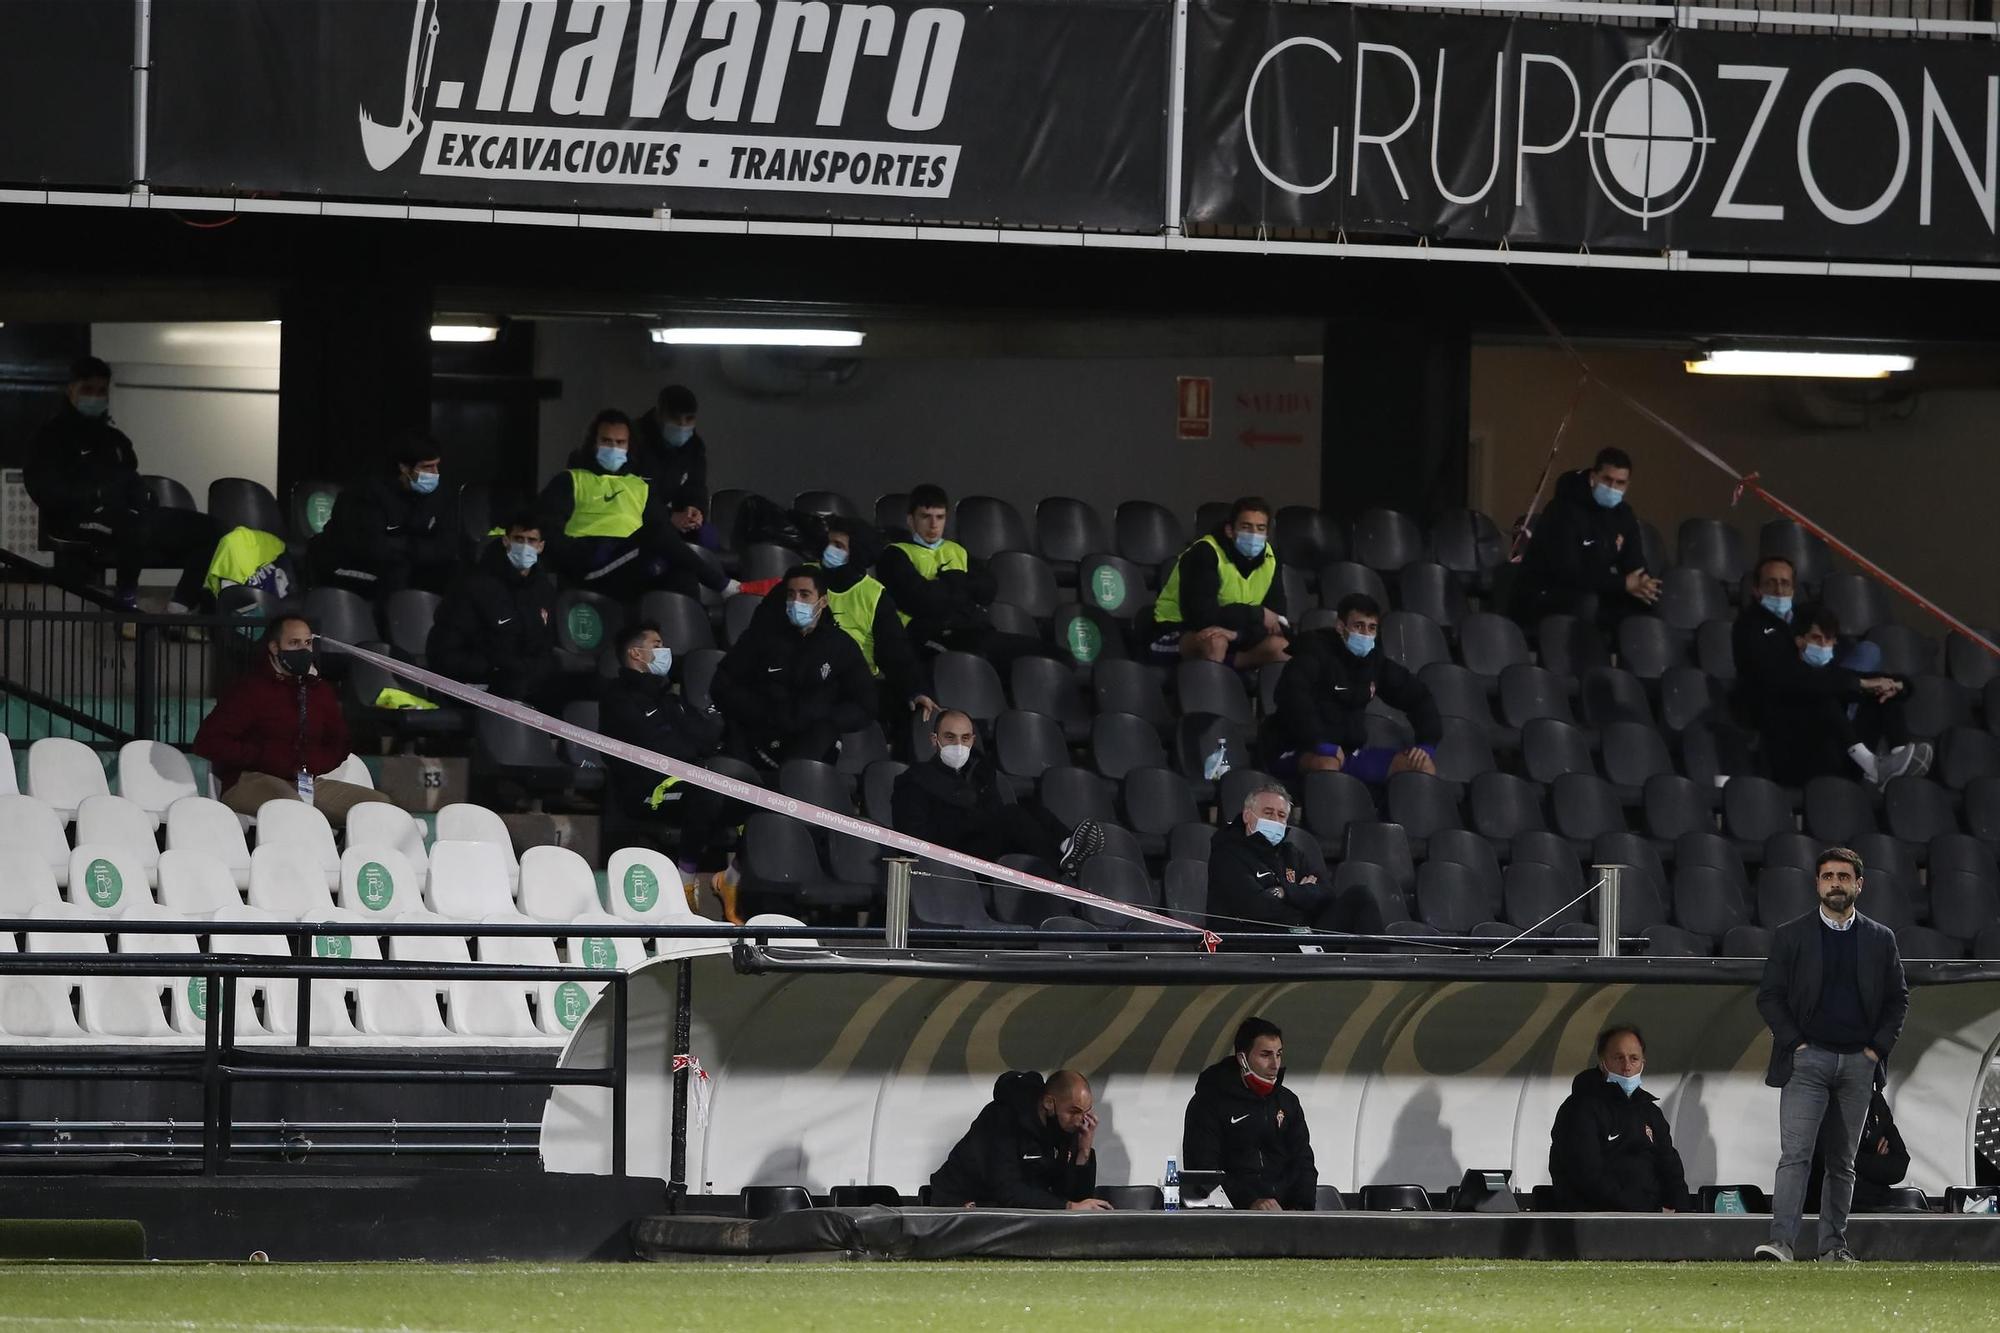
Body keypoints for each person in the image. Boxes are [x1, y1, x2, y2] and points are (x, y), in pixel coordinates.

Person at [1753, 847, 1910, 1263]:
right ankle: (1781, 1243)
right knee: (1796, 1156)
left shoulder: (1880, 938)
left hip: (1859, 1064)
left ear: (1859, 884)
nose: (1835, 883)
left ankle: (1833, 1248)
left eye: (1843, 876)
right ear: (1817, 884)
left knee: (1843, 1162)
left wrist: (1876, 1050)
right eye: (1827, 876)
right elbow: (1770, 997)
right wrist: (1797, 1044)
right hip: (1807, 1062)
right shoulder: (1791, 934)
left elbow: (1898, 999)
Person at [23, 355, 215, 612]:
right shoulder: (50, 438)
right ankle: (125, 605)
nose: (95, 397)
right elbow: (43, 490)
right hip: (76, 520)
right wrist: (95, 496)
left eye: (101, 391)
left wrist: (144, 495)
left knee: (211, 530)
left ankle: (180, 607)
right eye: (87, 390)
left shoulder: (114, 440)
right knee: (132, 526)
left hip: (128, 515)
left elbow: (129, 478)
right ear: (71, 390)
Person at [192, 614, 393, 827]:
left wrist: (311, 763)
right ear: (274, 647)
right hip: (249, 780)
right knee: (292, 807)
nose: (303, 650)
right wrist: (262, 756)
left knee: (379, 807)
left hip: (304, 783)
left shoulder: (319, 690)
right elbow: (208, 741)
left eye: (307, 643)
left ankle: (346, 856)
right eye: (294, 643)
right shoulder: (251, 689)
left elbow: (340, 741)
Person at [597, 622, 741, 918]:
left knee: (757, 795)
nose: (665, 651)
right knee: (705, 791)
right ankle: (684, 881)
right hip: (646, 791)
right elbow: (654, 745)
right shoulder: (617, 697)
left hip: (685, 780)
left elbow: (703, 737)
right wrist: (690, 746)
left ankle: (731, 879)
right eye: (657, 644)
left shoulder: (668, 696)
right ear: (636, 653)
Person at [1733, 583, 1930, 787]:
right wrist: (1863, 683)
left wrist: (1896, 686)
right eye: (1817, 639)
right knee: (1823, 695)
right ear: (1799, 640)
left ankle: (1899, 762)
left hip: (1839, 761)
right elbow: (1815, 684)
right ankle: (1873, 766)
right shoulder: (1783, 669)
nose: (1824, 646)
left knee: (1883, 693)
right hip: (1797, 765)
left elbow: (1889, 682)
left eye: (1829, 640)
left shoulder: (1831, 673)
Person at [752, 516, 936, 730]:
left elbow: (896, 652)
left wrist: (916, 690)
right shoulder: (803, 578)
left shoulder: (873, 595)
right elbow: (763, 625)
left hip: (855, 684)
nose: (830, 550)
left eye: (838, 546)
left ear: (855, 553)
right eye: (829, 543)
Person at [535, 408, 738, 602]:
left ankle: (676, 635)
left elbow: (664, 533)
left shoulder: (639, 486)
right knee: (653, 536)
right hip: (588, 565)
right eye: (606, 441)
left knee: (681, 575)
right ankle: (722, 584)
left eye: (620, 442)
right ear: (593, 443)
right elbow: (547, 528)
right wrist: (580, 555)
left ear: (629, 446)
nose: (613, 448)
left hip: (628, 565)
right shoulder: (570, 481)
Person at [891, 710, 1103, 878]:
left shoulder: (980, 772)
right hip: (952, 856)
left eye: (965, 738)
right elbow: (913, 838)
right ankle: (1062, 866)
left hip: (987, 847)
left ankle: (1067, 845)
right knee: (1010, 815)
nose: (958, 745)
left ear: (972, 740)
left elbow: (992, 816)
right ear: (934, 739)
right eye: (950, 737)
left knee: (1028, 804)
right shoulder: (915, 779)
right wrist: (964, 817)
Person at [874, 483, 1053, 672]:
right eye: (926, 517)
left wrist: (944, 584)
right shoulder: (895, 554)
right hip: (930, 634)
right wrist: (962, 585)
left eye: (940, 517)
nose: (934, 525)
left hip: (974, 629)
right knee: (981, 660)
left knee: (1054, 656)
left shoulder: (956, 550)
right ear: (911, 520)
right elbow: (923, 600)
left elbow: (988, 589)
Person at [711, 565, 875, 770]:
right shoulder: (760, 637)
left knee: (823, 735)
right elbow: (721, 684)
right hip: (758, 733)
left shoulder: (841, 646)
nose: (796, 602)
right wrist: (762, 712)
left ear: (822, 601)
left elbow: (865, 704)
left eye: (805, 595)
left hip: (811, 742)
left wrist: (825, 718)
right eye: (791, 594)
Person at [425, 513, 591, 713]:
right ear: (506, 541)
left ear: (541, 546)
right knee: (516, 684)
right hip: (483, 682)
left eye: (531, 541)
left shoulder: (544, 589)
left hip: (527, 680)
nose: (525, 546)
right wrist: (494, 668)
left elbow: (545, 647)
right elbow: (443, 651)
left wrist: (535, 669)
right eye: (519, 539)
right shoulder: (473, 586)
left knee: (587, 687)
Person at [1267, 593, 1440, 784]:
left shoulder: (1374, 662)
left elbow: (1418, 696)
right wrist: (1319, 743)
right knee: (1328, 765)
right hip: (1298, 748)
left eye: (1371, 628)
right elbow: (1293, 701)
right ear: (1341, 627)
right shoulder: (1314, 653)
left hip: (1348, 753)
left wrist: (1427, 743)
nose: (1365, 634)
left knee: (1422, 765)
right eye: (1358, 626)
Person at [1510, 447, 1661, 630]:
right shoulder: (1562, 509)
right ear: (1593, 476)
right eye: (1607, 479)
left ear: (1627, 484)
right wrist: (1622, 583)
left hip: (1593, 589)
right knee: (1587, 601)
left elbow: (1634, 561)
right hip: (1545, 593)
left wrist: (1645, 583)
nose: (1613, 488)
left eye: (1620, 483)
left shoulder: (1624, 514)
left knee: (1647, 603)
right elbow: (1567, 572)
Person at [1547, 1025, 1689, 1212]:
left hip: (1652, 1223)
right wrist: (1645, 1210)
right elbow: (1587, 1176)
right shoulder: (1580, 1109)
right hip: (1595, 1224)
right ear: (1603, 1062)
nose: (1627, 1067)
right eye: (1618, 1058)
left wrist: (1682, 1213)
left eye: (1634, 1058)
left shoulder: (1650, 1112)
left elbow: (1671, 1169)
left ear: (1643, 1063)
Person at [1182, 1016, 1316, 1211]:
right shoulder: (1208, 1102)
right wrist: (1249, 1203)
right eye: (1265, 1055)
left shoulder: (1288, 1102)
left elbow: (1303, 1161)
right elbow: (1203, 1170)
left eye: (1278, 1054)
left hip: (1286, 1216)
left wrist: (1300, 1209)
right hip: (1230, 1219)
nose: (1275, 1064)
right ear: (1242, 1058)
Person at [927, 1069, 1112, 1210]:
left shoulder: (1067, 1127)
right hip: (958, 1202)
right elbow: (1008, 1191)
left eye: (1086, 1112)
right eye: (1074, 1112)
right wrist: (1069, 1206)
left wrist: (1084, 1152)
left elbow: (1075, 1199)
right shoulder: (1002, 1118)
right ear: (1049, 1103)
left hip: (1004, 1208)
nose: (1081, 1120)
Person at [1145, 495, 1290, 667]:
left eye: (1260, 528)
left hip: (1234, 633)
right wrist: (1257, 614)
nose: (1254, 535)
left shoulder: (1271, 558)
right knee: (1215, 642)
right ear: (1230, 530)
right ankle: (1213, 690)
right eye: (1246, 527)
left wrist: (1238, 635)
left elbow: (1277, 621)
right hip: (1178, 630)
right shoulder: (1204, 552)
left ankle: (1229, 670)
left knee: (1283, 647)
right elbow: (1202, 618)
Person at [308, 433, 461, 596]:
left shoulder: (440, 494)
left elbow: (447, 545)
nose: (435, 473)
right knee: (396, 573)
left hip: (405, 563)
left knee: (454, 572)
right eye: (427, 467)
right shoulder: (366, 492)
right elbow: (372, 547)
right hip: (345, 564)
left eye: (437, 466)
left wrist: (406, 547)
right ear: (404, 468)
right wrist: (417, 548)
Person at [1207, 780, 1333, 937]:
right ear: (1247, 816)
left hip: (1298, 933)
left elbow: (1327, 893)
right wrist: (1303, 897)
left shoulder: (1291, 853)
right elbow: (1256, 908)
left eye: (1281, 815)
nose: (1275, 820)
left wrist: (1284, 892)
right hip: (1252, 942)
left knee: (1358, 897)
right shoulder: (1227, 854)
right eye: (1268, 813)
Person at [1806, 1084, 1911, 1214]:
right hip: (1834, 1206)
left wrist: (1853, 1158)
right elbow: (1830, 1158)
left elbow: (1900, 1164)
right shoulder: (1826, 1100)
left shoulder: (1876, 1101)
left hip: (1879, 1203)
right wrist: (1876, 1159)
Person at [632, 383, 708, 498]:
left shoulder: (695, 446)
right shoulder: (632, 438)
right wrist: (670, 516)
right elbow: (632, 491)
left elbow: (697, 487)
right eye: (675, 418)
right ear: (658, 415)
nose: (682, 425)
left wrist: (694, 509)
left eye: (689, 418)